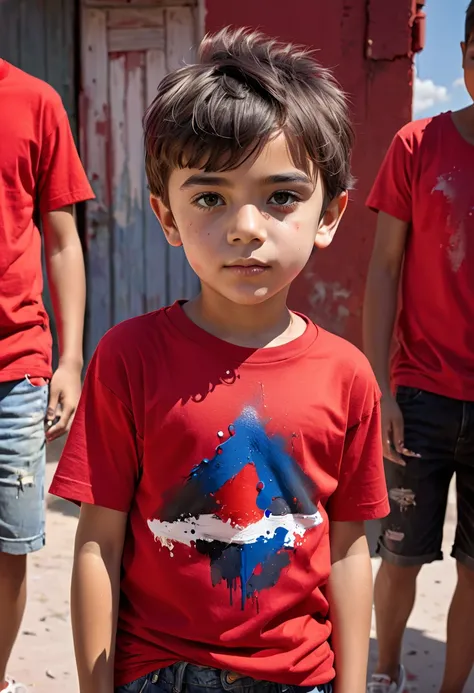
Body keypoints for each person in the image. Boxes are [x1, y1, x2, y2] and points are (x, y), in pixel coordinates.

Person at [50, 27, 389, 693]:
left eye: (281, 196)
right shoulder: (129, 356)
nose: (245, 226)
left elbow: (349, 549)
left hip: (300, 676)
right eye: (210, 197)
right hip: (160, 675)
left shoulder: (348, 376)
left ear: (330, 213)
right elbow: (99, 544)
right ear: (167, 216)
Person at [363, 3, 474, 692]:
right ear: (464, 56)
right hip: (421, 395)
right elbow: (382, 270)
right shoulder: (417, 145)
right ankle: (384, 671)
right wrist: (380, 389)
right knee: (399, 557)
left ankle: (452, 684)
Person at [0, 60, 93, 693]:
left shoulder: (34, 101)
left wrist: (69, 357)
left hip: (15, 367)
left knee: (9, 548)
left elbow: (61, 240)